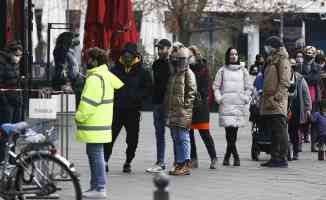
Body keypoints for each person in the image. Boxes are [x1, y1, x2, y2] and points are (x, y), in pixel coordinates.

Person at [75, 47, 124, 199]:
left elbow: (89, 103)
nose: (86, 61)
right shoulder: (104, 76)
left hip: (94, 124)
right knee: (96, 154)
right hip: (101, 123)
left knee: (95, 155)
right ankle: (95, 186)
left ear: (94, 61)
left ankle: (99, 187)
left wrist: (79, 116)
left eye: (88, 58)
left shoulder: (95, 79)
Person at [103, 43, 152, 173]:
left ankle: (128, 161)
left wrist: (138, 98)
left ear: (134, 55)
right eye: (125, 54)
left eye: (129, 54)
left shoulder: (142, 71)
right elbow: (108, 86)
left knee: (132, 140)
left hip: (133, 111)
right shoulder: (115, 69)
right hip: (117, 109)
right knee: (110, 137)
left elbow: (148, 89)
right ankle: (104, 161)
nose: (127, 56)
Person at [212, 47, 251, 167]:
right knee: (229, 133)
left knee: (234, 133)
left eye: (235, 54)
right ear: (228, 56)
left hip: (239, 105)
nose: (233, 56)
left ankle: (227, 157)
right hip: (226, 105)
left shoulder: (243, 70)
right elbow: (216, 87)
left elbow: (249, 87)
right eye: (231, 54)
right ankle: (236, 157)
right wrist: (219, 98)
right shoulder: (222, 70)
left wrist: (246, 98)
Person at [164, 43, 196, 176]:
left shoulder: (188, 73)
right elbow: (169, 92)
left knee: (183, 137)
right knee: (176, 137)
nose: (178, 62)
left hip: (182, 111)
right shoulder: (174, 74)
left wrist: (185, 105)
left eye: (181, 59)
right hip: (173, 110)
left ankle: (186, 163)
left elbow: (192, 91)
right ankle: (179, 162)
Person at [260, 36, 291, 168]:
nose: (266, 48)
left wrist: (277, 97)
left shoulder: (282, 59)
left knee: (280, 130)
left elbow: (285, 81)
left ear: (274, 47)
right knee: (273, 131)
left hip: (277, 101)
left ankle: (281, 157)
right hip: (269, 101)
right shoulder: (271, 59)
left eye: (268, 46)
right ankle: (274, 156)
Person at [188, 45, 217, 169]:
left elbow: (206, 87)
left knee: (204, 133)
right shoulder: (186, 68)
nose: (189, 58)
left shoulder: (203, 69)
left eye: (190, 55)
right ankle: (193, 158)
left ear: (196, 55)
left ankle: (213, 157)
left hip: (201, 105)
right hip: (189, 105)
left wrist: (201, 97)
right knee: (190, 134)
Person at [146, 39, 172, 173]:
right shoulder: (156, 64)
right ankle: (160, 161)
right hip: (157, 102)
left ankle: (180, 161)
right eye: (158, 48)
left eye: (162, 48)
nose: (160, 51)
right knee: (159, 133)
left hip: (169, 103)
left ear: (169, 48)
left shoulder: (172, 64)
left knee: (175, 133)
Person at [0, 41, 23, 162]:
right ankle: (3, 157)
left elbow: (17, 81)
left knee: (15, 130)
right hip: (6, 101)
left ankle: (12, 157)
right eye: (16, 55)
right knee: (5, 131)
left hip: (15, 99)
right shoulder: (2, 62)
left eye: (20, 55)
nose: (18, 58)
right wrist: (4, 102)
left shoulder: (15, 64)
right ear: (10, 53)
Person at [287, 59, 312, 160]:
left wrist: (308, 108)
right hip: (283, 107)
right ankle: (285, 151)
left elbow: (306, 94)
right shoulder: (282, 77)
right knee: (285, 130)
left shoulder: (300, 78)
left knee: (294, 131)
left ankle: (296, 151)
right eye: (288, 67)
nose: (290, 69)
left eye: (293, 67)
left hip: (296, 108)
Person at [53, 32, 84, 106]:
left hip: (73, 82)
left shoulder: (70, 51)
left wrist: (81, 75)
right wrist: (66, 83)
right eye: (73, 38)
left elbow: (73, 67)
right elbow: (62, 67)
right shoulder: (61, 51)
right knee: (65, 108)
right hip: (66, 83)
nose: (76, 40)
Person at [299, 46, 321, 152]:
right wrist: (308, 78)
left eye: (311, 53)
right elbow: (297, 77)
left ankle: (314, 145)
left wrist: (304, 77)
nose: (309, 54)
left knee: (314, 122)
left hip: (314, 97)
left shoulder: (317, 66)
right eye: (307, 52)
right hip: (300, 97)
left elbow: (315, 80)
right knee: (300, 122)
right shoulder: (299, 66)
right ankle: (297, 145)